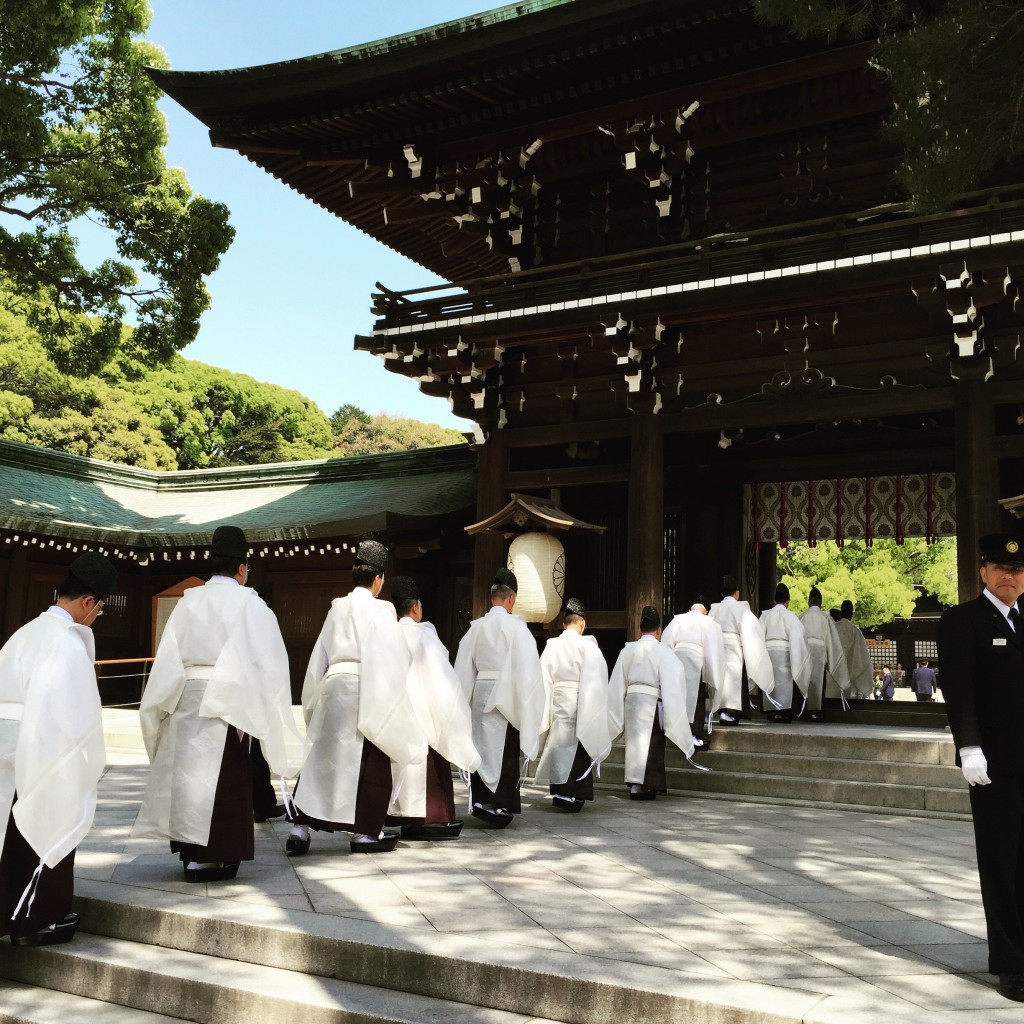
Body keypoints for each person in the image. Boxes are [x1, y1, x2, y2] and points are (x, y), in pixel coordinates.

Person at [135, 526, 298, 882]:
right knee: (224, 776)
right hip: (229, 700)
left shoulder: (188, 601)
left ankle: (192, 853)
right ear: (242, 568)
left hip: (186, 694)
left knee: (189, 776)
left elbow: (167, 661)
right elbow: (268, 664)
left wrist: (159, 711)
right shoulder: (252, 604)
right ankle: (212, 856)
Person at [0, 552, 115, 947]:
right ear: (88, 602)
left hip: (6, 745)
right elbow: (74, 718)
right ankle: (37, 919)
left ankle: (12, 916)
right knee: (47, 820)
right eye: (99, 608)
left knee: (7, 833)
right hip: (40, 744)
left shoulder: (24, 632)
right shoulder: (66, 644)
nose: (97, 617)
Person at [287, 540, 425, 855]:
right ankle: (364, 833)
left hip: (334, 683)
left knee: (321, 758)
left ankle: (300, 828)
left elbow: (318, 659)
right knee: (371, 761)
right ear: (379, 579)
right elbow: (391, 657)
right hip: (368, 684)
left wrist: (312, 703)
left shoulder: (336, 607)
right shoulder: (383, 609)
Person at [937, 533, 1024, 1002]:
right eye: (1000, 568)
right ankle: (1010, 963)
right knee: (1001, 861)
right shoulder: (963, 620)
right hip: (995, 762)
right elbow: (960, 689)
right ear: (984, 572)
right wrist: (968, 746)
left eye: (1017, 570)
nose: (1009, 576)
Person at [386, 576, 480, 839]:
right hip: (423, 714)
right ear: (416, 608)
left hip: (394, 715)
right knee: (430, 763)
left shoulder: (384, 635)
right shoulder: (425, 637)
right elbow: (442, 682)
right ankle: (431, 818)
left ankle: (395, 815)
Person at [454, 567, 546, 827]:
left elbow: (463, 668)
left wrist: (463, 701)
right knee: (504, 748)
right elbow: (528, 671)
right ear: (511, 599)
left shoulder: (476, 629)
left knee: (481, 745)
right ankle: (499, 802)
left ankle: (482, 799)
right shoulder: (517, 630)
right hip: (506, 694)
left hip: (481, 688)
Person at [608, 605, 698, 800]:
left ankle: (634, 784)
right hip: (652, 702)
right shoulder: (663, 652)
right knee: (653, 743)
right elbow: (675, 681)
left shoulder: (627, 650)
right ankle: (647, 785)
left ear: (641, 629)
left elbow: (616, 682)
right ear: (658, 630)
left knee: (634, 743)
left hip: (632, 702)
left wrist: (616, 708)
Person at [534, 598, 611, 812]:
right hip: (580, 700)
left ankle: (559, 791)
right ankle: (572, 793)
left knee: (558, 743)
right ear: (582, 624)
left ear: (563, 623)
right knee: (578, 745)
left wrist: (544, 709)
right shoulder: (588, 647)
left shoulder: (552, 646)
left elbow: (543, 680)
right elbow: (597, 682)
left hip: (559, 698)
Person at [707, 575, 774, 725]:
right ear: (736, 593)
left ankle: (723, 711)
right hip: (734, 648)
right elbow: (752, 633)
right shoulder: (741, 610)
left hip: (717, 647)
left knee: (720, 678)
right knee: (733, 679)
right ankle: (730, 712)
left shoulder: (714, 610)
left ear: (722, 593)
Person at [660, 598, 723, 743]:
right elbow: (713, 652)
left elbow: (666, 643)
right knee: (697, 696)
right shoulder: (709, 623)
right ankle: (693, 734)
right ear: (705, 612)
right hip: (697, 660)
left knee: (678, 695)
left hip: (677, 658)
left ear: (690, 610)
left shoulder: (678, 620)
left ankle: (675, 732)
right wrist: (711, 675)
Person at [758, 583, 810, 723]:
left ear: (774, 600)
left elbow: (758, 637)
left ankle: (772, 710)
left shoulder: (765, 616)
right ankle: (785, 712)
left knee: (771, 680)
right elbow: (799, 640)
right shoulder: (791, 617)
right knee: (785, 683)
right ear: (787, 601)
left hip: (768, 653)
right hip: (786, 654)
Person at [798, 587, 849, 721]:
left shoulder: (802, 617)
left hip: (805, 653)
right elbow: (833, 643)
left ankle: (803, 710)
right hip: (820, 653)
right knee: (820, 681)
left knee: (805, 680)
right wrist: (831, 659)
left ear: (809, 602)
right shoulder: (826, 618)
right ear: (820, 603)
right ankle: (817, 710)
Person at [835, 600, 873, 699]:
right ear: (851, 615)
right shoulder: (856, 631)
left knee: (832, 704)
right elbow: (863, 659)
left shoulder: (833, 629)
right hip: (850, 677)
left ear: (840, 613)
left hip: (833, 676)